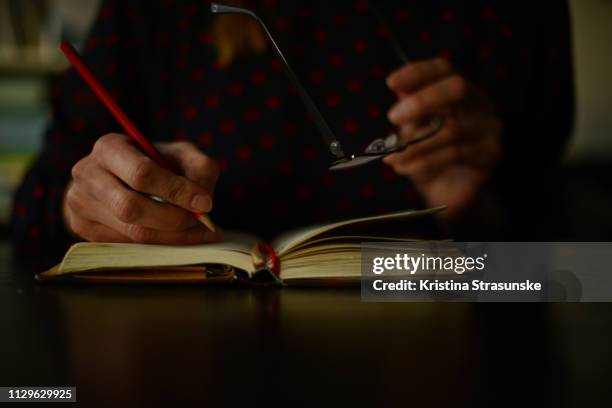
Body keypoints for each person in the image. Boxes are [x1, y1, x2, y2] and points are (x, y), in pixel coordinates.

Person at [11, 0, 574, 257]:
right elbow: (31, 210)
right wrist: (87, 203)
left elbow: (573, 276)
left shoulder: (510, 12)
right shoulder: (157, 12)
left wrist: (481, 214)